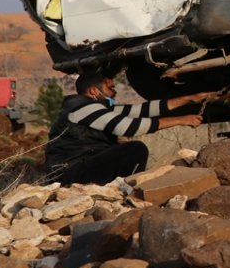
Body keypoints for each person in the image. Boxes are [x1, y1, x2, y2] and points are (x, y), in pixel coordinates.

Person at [45, 72, 210, 185]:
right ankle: (123, 189)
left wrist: (190, 98)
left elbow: (144, 110)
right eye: (110, 88)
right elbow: (127, 127)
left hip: (79, 167)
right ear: (94, 91)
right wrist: (181, 120)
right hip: (71, 172)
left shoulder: (97, 108)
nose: (114, 92)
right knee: (134, 149)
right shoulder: (83, 107)